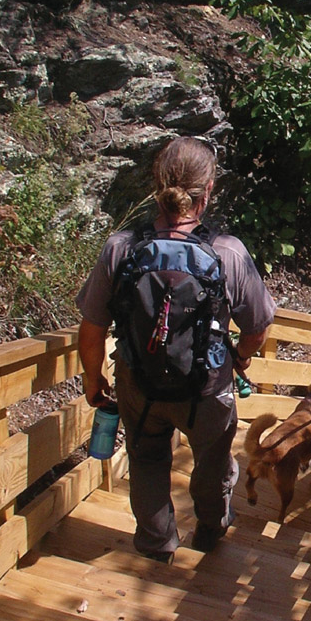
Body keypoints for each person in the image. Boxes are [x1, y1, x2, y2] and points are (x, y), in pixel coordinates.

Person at [77, 137, 275, 563]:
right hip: (206, 390)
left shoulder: (121, 247)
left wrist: (93, 380)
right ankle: (210, 526)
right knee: (212, 461)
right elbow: (258, 327)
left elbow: (92, 328)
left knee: (147, 460)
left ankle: (156, 543)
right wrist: (240, 357)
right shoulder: (228, 253)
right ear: (207, 194)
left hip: (138, 384)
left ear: (156, 187)